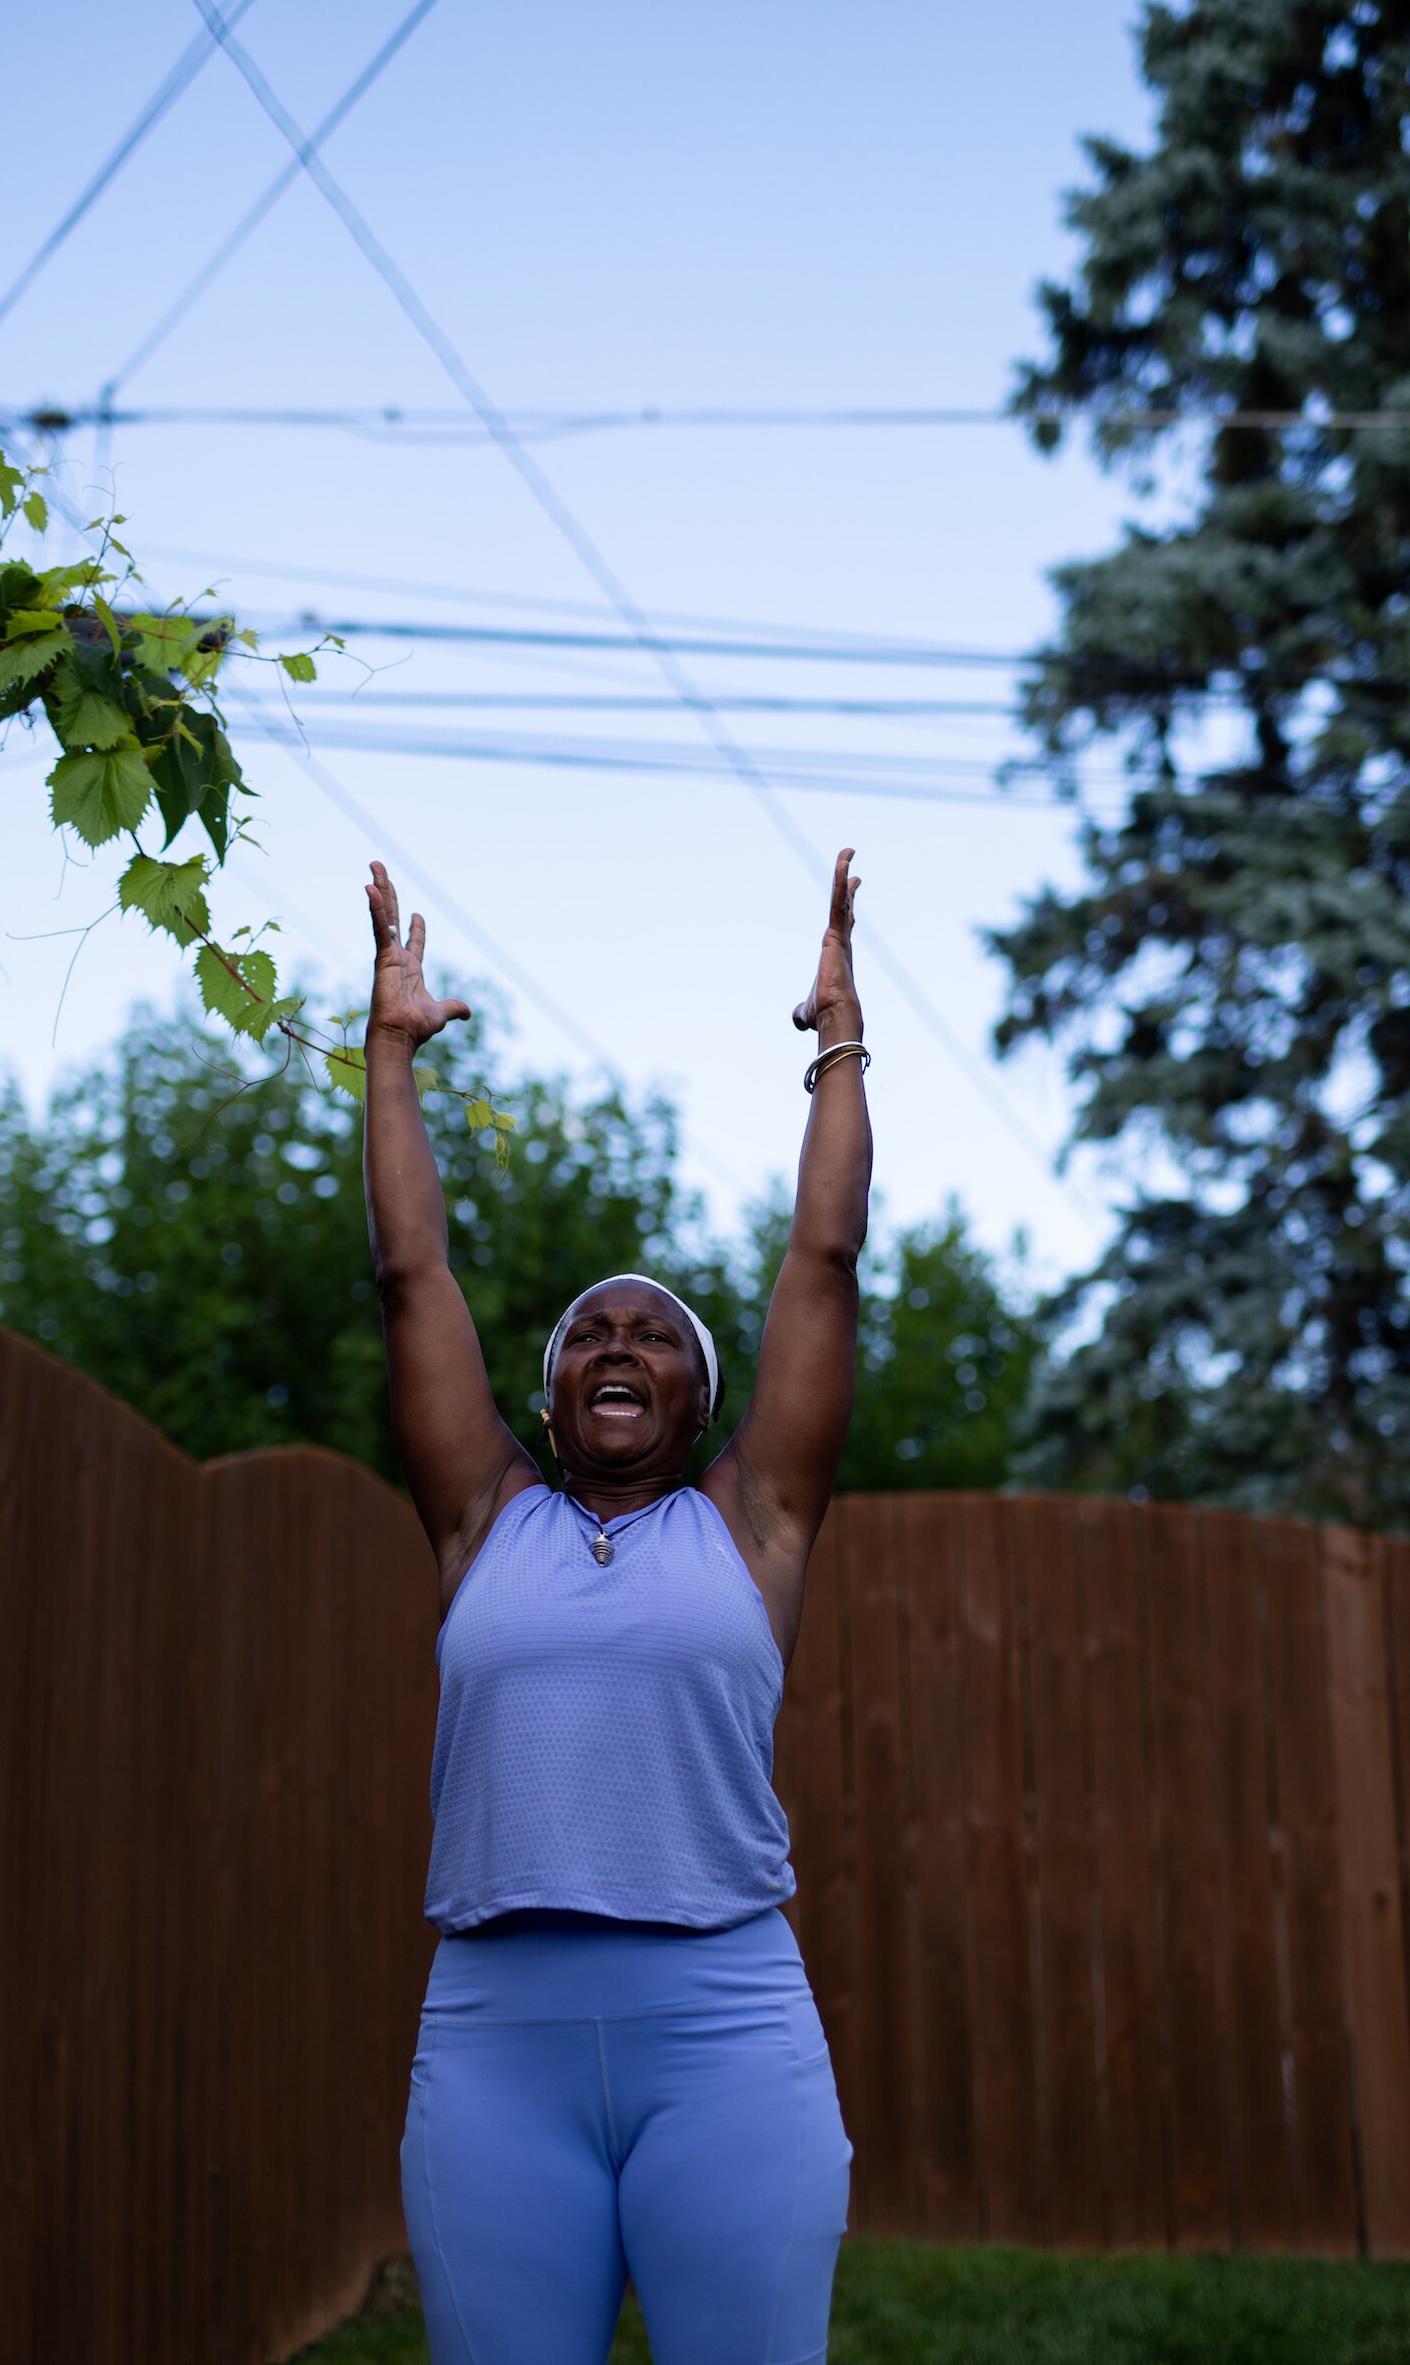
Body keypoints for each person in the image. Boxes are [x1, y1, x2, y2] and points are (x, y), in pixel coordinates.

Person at [363, 848, 872, 2365]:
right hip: (492, 2036)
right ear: (552, 1390)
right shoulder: (485, 1522)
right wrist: (389, 1058)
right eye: (592, 1328)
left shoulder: (754, 1524)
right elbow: (411, 1277)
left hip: (725, 2029)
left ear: (707, 1400)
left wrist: (839, 1046)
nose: (620, 1340)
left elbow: (826, 1264)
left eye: (656, 1334)